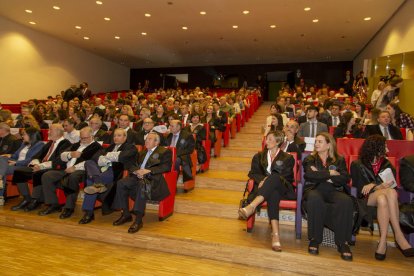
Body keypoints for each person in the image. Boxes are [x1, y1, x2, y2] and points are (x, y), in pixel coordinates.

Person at [350, 135, 414, 259]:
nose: (387, 149)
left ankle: (383, 241)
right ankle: (399, 235)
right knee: (388, 193)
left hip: (384, 198)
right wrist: (377, 186)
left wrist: (375, 186)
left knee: (384, 199)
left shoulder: (387, 164)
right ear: (376, 147)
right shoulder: (357, 164)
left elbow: (392, 187)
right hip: (365, 199)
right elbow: (359, 189)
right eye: (385, 146)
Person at [238, 131, 295, 251]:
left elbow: (287, 176)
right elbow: (252, 173)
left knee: (274, 177)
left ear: (278, 141)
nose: (266, 141)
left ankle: (252, 206)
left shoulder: (288, 158)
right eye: (266, 139)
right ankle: (276, 236)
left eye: (270, 139)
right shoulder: (259, 156)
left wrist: (268, 179)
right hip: (266, 191)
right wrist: (264, 179)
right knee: (273, 194)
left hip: (284, 188)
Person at [302, 132, 353, 261]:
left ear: (329, 144)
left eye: (320, 141)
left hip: (334, 190)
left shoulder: (339, 159)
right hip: (314, 189)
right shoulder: (310, 159)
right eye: (316, 141)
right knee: (314, 198)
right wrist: (330, 173)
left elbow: (345, 178)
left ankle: (343, 243)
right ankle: (315, 239)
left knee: (346, 201)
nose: (316, 144)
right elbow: (309, 175)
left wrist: (320, 174)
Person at [112, 132, 172, 233]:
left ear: (156, 142)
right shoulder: (142, 152)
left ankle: (138, 220)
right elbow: (132, 164)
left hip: (151, 179)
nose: (146, 141)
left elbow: (166, 167)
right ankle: (126, 214)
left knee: (142, 185)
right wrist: (137, 171)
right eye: (146, 139)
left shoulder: (164, 152)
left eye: (149, 139)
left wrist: (148, 171)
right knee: (121, 183)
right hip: (137, 176)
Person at [39, 127, 102, 219]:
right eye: (81, 138)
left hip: (82, 171)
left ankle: (69, 207)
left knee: (73, 177)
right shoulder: (76, 144)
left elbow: (92, 162)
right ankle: (53, 204)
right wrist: (70, 154)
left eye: (85, 138)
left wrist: (75, 167)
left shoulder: (96, 147)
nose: (83, 140)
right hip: (66, 169)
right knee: (47, 175)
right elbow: (62, 155)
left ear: (92, 136)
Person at [79, 128, 138, 224]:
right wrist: (111, 157)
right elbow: (95, 157)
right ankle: (97, 182)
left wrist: (106, 156)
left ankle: (89, 213)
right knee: (89, 163)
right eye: (114, 135)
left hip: (114, 172)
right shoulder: (110, 147)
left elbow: (122, 156)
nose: (116, 138)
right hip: (101, 171)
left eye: (119, 135)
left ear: (125, 137)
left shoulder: (130, 147)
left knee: (91, 182)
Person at [12, 124, 72, 212]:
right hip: (42, 166)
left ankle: (36, 200)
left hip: (56, 168)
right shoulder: (50, 143)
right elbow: (37, 156)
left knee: (39, 173)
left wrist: (40, 166)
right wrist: (35, 164)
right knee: (19, 171)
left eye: (50, 130)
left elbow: (59, 161)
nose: (48, 132)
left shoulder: (66, 143)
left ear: (58, 132)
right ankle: (26, 198)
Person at [0, 128, 43, 206]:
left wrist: (16, 163)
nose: (22, 136)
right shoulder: (24, 143)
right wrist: (9, 155)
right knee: (1, 158)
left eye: (24, 134)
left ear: (31, 135)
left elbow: (31, 159)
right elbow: (15, 155)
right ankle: (0, 187)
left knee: (2, 169)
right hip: (15, 162)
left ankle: (1, 193)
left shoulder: (39, 144)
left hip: (24, 166)